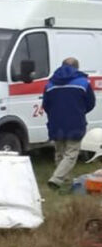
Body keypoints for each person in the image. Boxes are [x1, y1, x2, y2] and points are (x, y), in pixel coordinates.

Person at [43, 57, 96, 190]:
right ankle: (56, 180)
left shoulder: (50, 84)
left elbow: (46, 105)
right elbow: (90, 103)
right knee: (71, 153)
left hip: (56, 123)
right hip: (75, 122)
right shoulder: (83, 83)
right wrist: (80, 111)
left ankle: (65, 182)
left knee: (60, 152)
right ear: (77, 68)